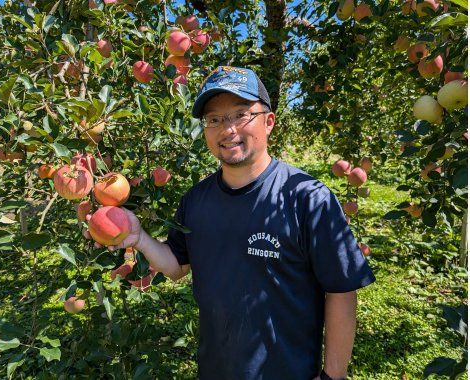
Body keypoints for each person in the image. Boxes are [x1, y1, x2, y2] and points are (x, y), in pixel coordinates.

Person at [99, 66, 376, 379]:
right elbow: (177, 267)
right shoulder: (196, 200)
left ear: (269, 122)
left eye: (241, 114)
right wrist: (140, 238)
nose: (227, 129)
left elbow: (341, 291)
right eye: (215, 119)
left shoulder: (308, 198)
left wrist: (333, 376)